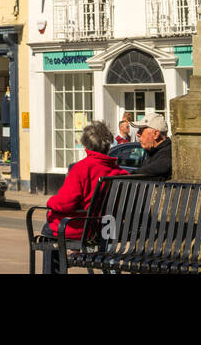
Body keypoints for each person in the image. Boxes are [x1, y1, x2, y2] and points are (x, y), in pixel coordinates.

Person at [39, 121, 127, 272]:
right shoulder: (120, 173)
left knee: (48, 230)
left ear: (86, 147)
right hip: (106, 228)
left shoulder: (81, 168)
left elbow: (66, 203)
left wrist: (50, 201)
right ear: (107, 146)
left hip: (81, 227)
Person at [133, 114, 172, 178]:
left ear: (156, 134)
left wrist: (132, 174)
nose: (137, 134)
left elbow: (161, 167)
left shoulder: (168, 152)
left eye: (141, 130)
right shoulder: (153, 151)